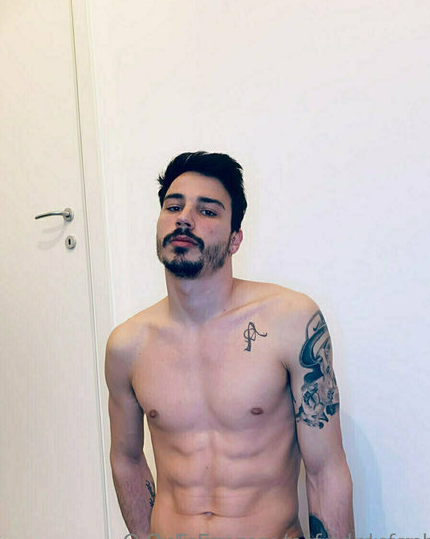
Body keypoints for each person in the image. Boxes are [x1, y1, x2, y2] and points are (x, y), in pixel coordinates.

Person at [105, 151, 354, 539]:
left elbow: (326, 471)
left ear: (235, 239)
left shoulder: (290, 321)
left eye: (207, 211)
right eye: (174, 206)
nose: (184, 218)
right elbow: (126, 459)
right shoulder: (128, 345)